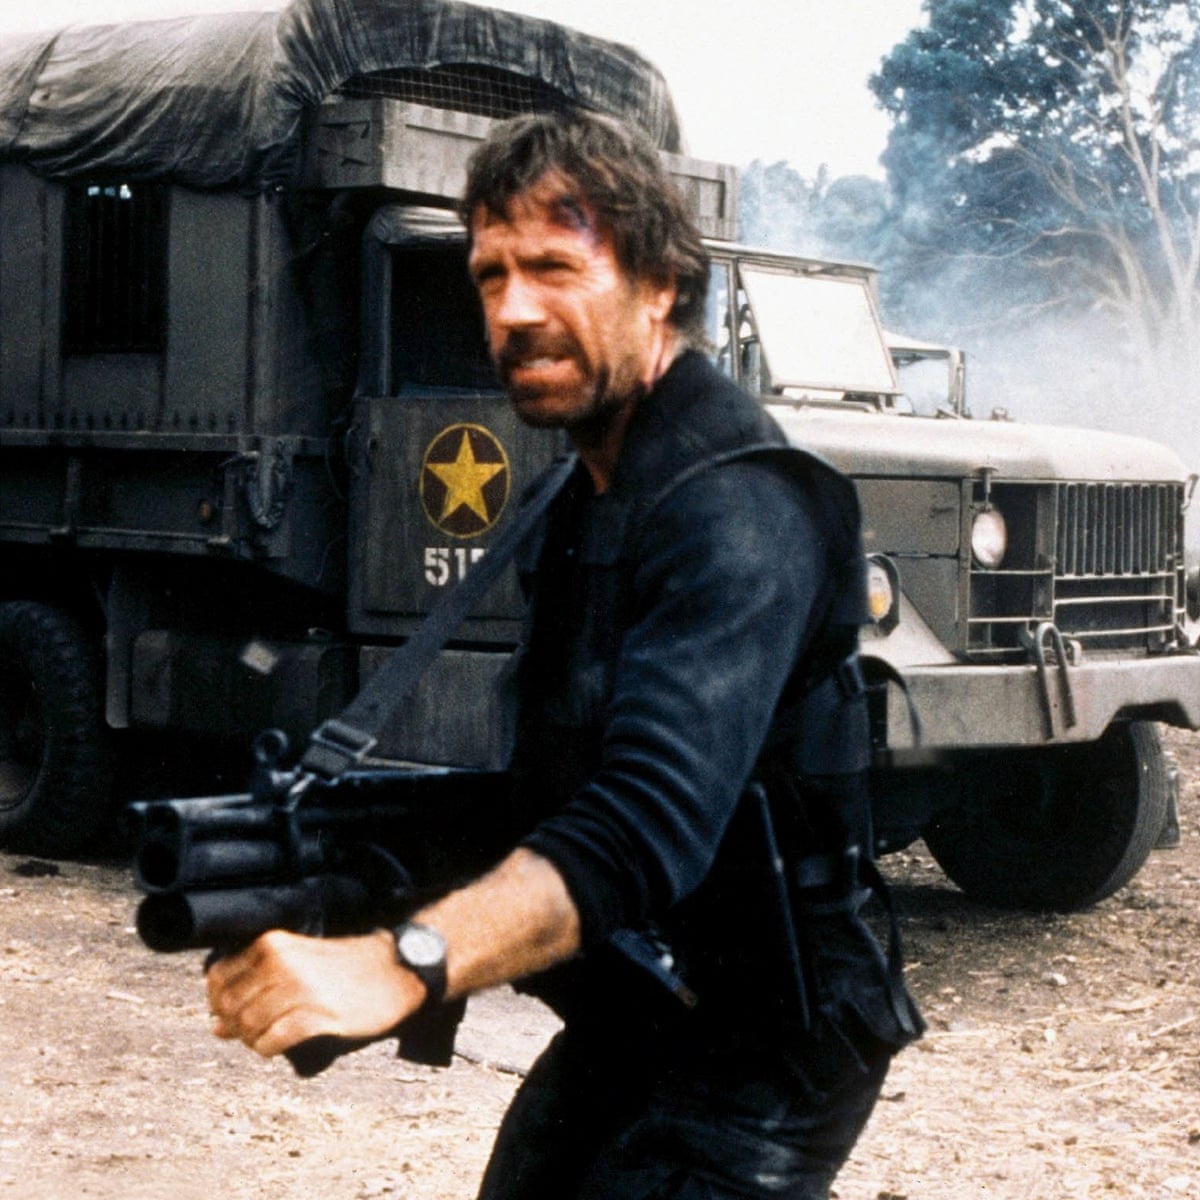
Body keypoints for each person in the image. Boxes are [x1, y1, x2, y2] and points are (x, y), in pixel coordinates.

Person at [206, 108, 922, 1199]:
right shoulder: (584, 490)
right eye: (491, 276)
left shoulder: (740, 507)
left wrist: (401, 963)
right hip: (649, 992)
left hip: (774, 1034)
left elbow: (639, 826)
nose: (514, 310)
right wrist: (336, 883)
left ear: (659, 284)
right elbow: (554, 786)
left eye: (554, 268)